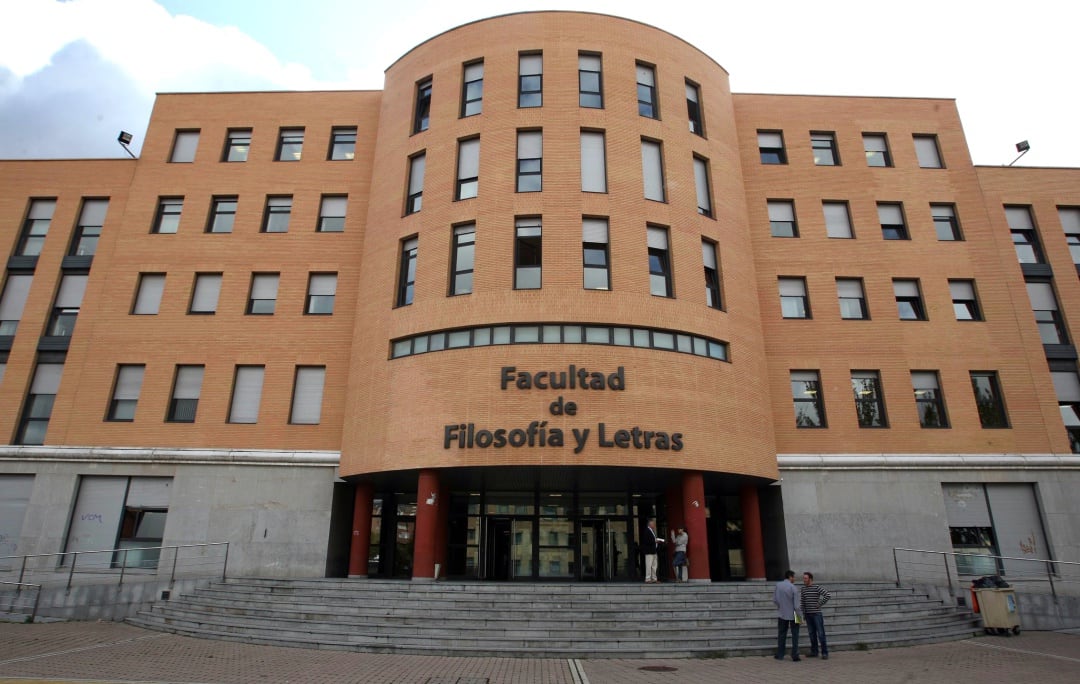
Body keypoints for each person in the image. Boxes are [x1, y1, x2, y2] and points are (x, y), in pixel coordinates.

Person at [772, 569, 802, 661]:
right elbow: (797, 605)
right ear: (790, 577)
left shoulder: (778, 585)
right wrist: (800, 617)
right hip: (793, 613)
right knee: (795, 634)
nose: (794, 579)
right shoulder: (793, 588)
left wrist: (780, 607)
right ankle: (795, 654)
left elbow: (775, 599)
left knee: (781, 634)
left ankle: (780, 654)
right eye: (794, 577)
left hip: (782, 612)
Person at [801, 571, 831, 659]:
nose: (804, 580)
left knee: (821, 633)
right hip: (808, 615)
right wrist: (801, 616)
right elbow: (802, 603)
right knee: (811, 634)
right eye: (804, 578)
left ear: (810, 579)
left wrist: (820, 604)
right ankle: (814, 651)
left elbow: (827, 595)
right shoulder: (803, 589)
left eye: (805, 578)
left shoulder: (816, 587)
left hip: (816, 614)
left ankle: (824, 652)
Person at [642, 518, 663, 583]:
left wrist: (656, 541)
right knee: (649, 565)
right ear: (650, 524)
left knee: (654, 565)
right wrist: (655, 541)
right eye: (653, 523)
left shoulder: (652, 531)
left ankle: (654, 579)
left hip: (654, 551)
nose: (654, 525)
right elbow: (646, 541)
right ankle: (648, 579)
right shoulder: (647, 531)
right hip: (649, 551)